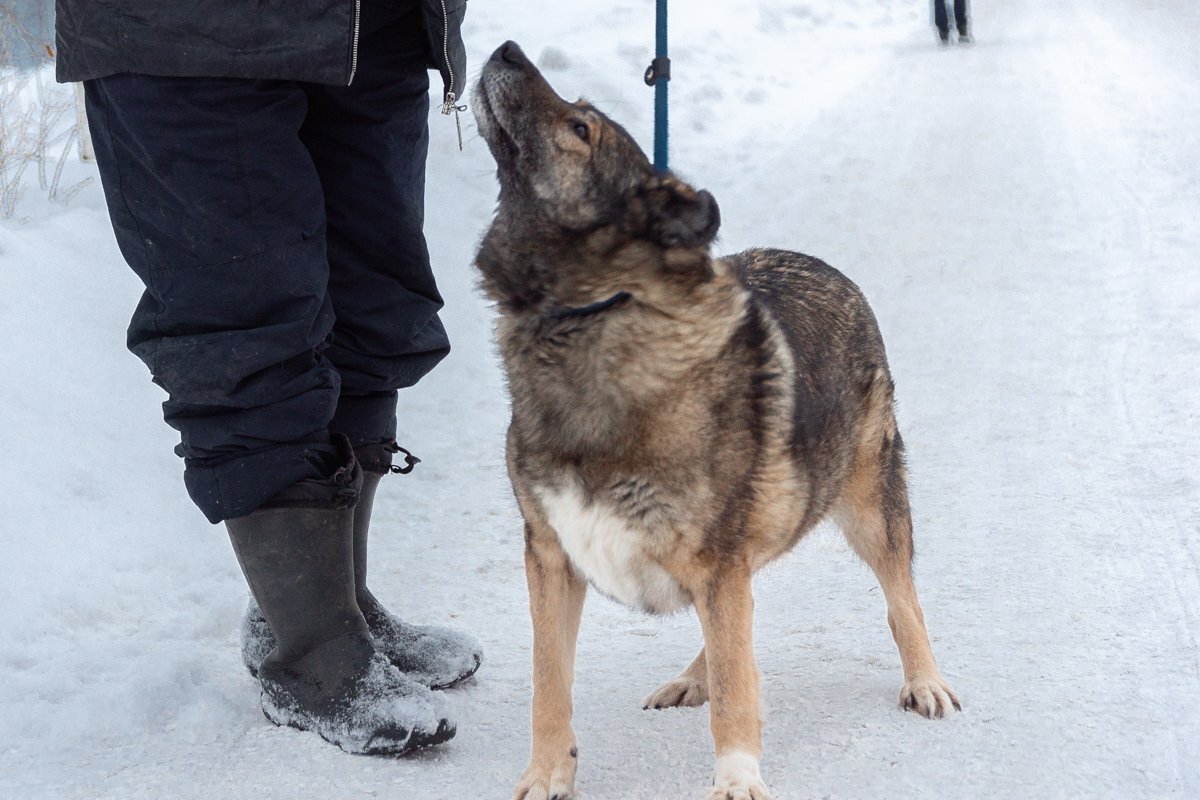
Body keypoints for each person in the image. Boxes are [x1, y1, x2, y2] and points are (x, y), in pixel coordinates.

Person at [54, 0, 482, 755]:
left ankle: (331, 603)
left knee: (371, 302)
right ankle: (312, 652)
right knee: (246, 325)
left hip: (370, 23)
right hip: (190, 33)